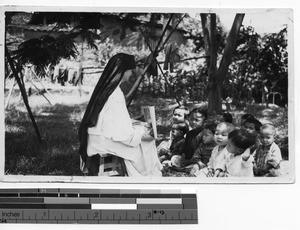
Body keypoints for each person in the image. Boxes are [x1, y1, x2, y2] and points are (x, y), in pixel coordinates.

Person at [78, 53, 162, 177]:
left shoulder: (108, 89)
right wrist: (138, 134)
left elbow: (111, 120)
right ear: (122, 71)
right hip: (103, 142)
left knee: (141, 132)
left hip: (97, 137)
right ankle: (148, 175)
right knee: (147, 143)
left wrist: (133, 123)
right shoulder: (114, 94)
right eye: (129, 71)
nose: (131, 74)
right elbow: (122, 134)